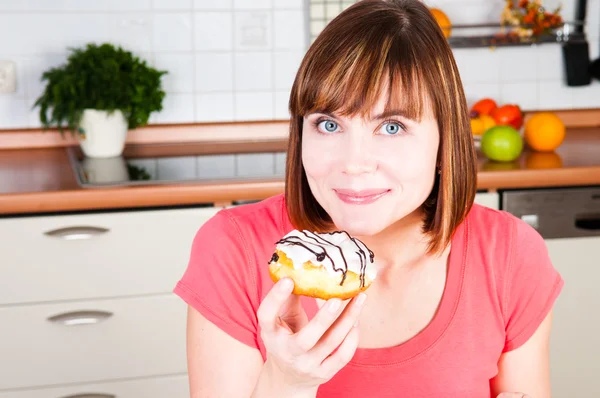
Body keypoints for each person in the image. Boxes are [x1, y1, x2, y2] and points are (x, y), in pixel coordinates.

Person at [173, 0, 564, 396]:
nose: (354, 163)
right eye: (328, 124)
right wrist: (289, 382)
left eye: (392, 127)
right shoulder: (234, 249)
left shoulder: (511, 254)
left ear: (445, 140)